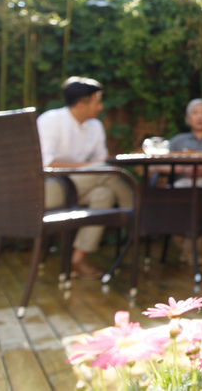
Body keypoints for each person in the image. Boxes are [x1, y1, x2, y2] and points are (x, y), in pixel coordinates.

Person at [36, 77, 135, 279]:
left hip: (80, 187)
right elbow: (47, 163)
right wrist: (89, 166)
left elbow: (102, 160)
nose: (101, 107)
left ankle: (78, 257)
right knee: (103, 170)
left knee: (103, 194)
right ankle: (137, 212)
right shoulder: (50, 120)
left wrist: (97, 165)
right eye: (97, 102)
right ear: (81, 105)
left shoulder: (95, 126)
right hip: (48, 188)